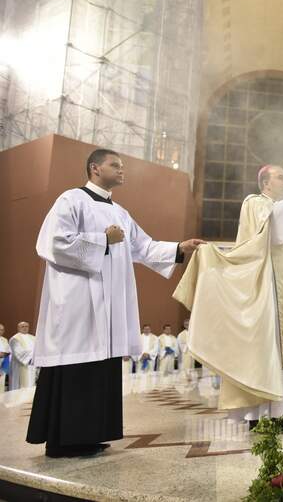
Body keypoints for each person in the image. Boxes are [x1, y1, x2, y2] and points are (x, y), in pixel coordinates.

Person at [26, 148, 204, 458]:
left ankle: (91, 435)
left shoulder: (120, 213)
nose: (122, 170)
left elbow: (143, 247)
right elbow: (52, 242)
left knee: (102, 367)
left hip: (108, 307)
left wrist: (179, 247)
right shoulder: (71, 200)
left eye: (122, 166)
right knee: (77, 363)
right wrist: (102, 240)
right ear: (95, 168)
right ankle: (63, 441)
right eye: (115, 165)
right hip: (78, 303)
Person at [174, 164, 283, 430]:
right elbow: (275, 224)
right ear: (265, 183)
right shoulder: (255, 203)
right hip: (266, 287)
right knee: (268, 347)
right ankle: (263, 412)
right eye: (280, 177)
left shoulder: (281, 209)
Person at [10, 321, 36, 390]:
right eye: (22, 326)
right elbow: (19, 352)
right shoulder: (15, 338)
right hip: (21, 365)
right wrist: (33, 355)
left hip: (32, 366)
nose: (25, 328)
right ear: (18, 328)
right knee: (21, 386)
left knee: (32, 384)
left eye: (26, 326)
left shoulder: (34, 338)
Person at [0, 324, 10, 393]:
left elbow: (8, 352)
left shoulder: (5, 340)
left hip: (3, 364)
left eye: (2, 330)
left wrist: (5, 367)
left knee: (1, 383)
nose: (0, 331)